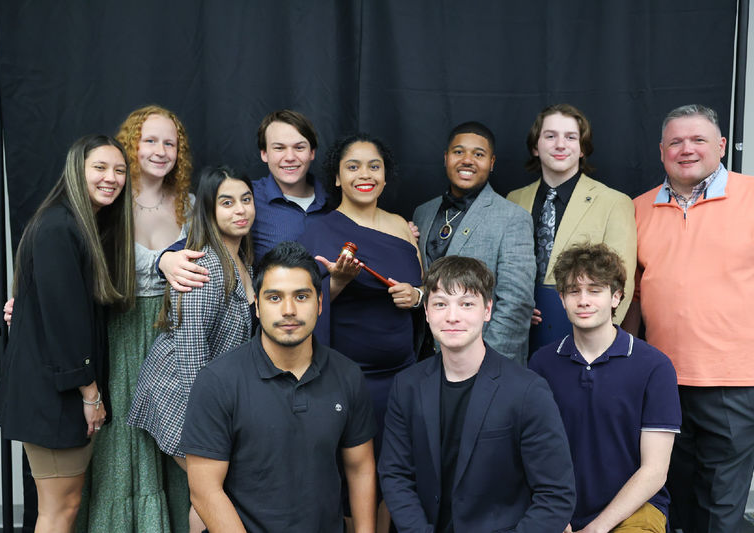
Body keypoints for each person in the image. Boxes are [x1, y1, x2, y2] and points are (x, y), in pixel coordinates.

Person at [622, 104, 754, 532]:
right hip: (660, 379)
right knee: (670, 497)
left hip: (738, 384)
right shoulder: (638, 209)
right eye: (676, 142)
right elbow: (632, 296)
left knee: (719, 507)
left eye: (698, 140)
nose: (686, 149)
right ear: (661, 151)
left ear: (721, 146)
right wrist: (627, 365)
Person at [0, 134, 136, 532]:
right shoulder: (60, 226)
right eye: (100, 168)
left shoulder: (76, 225)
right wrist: (91, 395)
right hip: (55, 396)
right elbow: (65, 322)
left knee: (64, 507)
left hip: (58, 391)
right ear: (77, 170)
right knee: (59, 511)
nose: (112, 178)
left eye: (120, 170)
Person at [180, 242, 377, 533]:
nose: (288, 310)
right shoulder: (218, 380)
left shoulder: (347, 375)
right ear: (257, 306)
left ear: (320, 304)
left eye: (301, 296)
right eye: (274, 298)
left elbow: (360, 470)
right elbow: (204, 490)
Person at [379, 255, 575, 532]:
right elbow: (396, 475)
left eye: (467, 304)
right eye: (440, 304)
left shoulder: (527, 390)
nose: (452, 316)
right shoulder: (406, 386)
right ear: (426, 312)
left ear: (487, 310)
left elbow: (556, 495)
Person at [78, 105, 195, 532]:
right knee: (123, 444)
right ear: (131, 145)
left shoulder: (191, 203)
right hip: (120, 333)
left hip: (175, 334)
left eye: (170, 142)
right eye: (150, 140)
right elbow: (68, 262)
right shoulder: (108, 200)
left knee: (177, 443)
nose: (160, 150)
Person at [298, 133, 422, 531]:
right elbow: (298, 300)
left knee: (396, 470)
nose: (364, 175)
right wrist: (335, 284)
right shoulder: (317, 229)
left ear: (386, 176)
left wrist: (417, 295)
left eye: (374, 166)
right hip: (345, 378)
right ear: (337, 178)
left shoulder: (403, 227)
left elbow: (426, 287)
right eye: (353, 167)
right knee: (349, 474)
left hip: (402, 375)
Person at [128, 166, 257, 530]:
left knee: (209, 493)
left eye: (246, 200)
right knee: (214, 491)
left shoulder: (243, 260)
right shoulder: (205, 264)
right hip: (181, 394)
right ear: (209, 210)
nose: (240, 210)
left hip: (214, 396)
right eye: (227, 202)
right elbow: (190, 349)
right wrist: (206, 421)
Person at [530, 243, 680, 532]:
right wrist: (556, 516)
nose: (583, 300)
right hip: (559, 506)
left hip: (635, 508)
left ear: (616, 297)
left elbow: (655, 471)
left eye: (595, 290)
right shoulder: (541, 364)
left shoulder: (655, 367)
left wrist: (598, 529)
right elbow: (533, 454)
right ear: (561, 299)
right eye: (574, 291)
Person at [507, 104, 636, 354]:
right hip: (518, 335)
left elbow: (623, 281)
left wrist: (603, 342)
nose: (560, 144)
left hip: (585, 335)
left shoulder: (613, 202)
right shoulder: (513, 199)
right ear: (536, 146)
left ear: (582, 149)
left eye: (570, 137)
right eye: (550, 136)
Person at [158, 109, 328, 290]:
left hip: (328, 311)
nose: (290, 157)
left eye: (299, 147)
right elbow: (202, 234)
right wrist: (166, 259)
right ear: (264, 154)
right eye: (279, 148)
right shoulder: (246, 198)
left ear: (312, 152)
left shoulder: (334, 201)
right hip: (267, 313)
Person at [413, 121, 536, 363]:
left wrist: (484, 363)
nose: (467, 160)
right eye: (459, 152)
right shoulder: (423, 213)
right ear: (446, 158)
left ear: (491, 163)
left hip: (486, 362)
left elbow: (516, 303)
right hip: (425, 359)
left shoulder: (513, 217)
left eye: (478, 154)